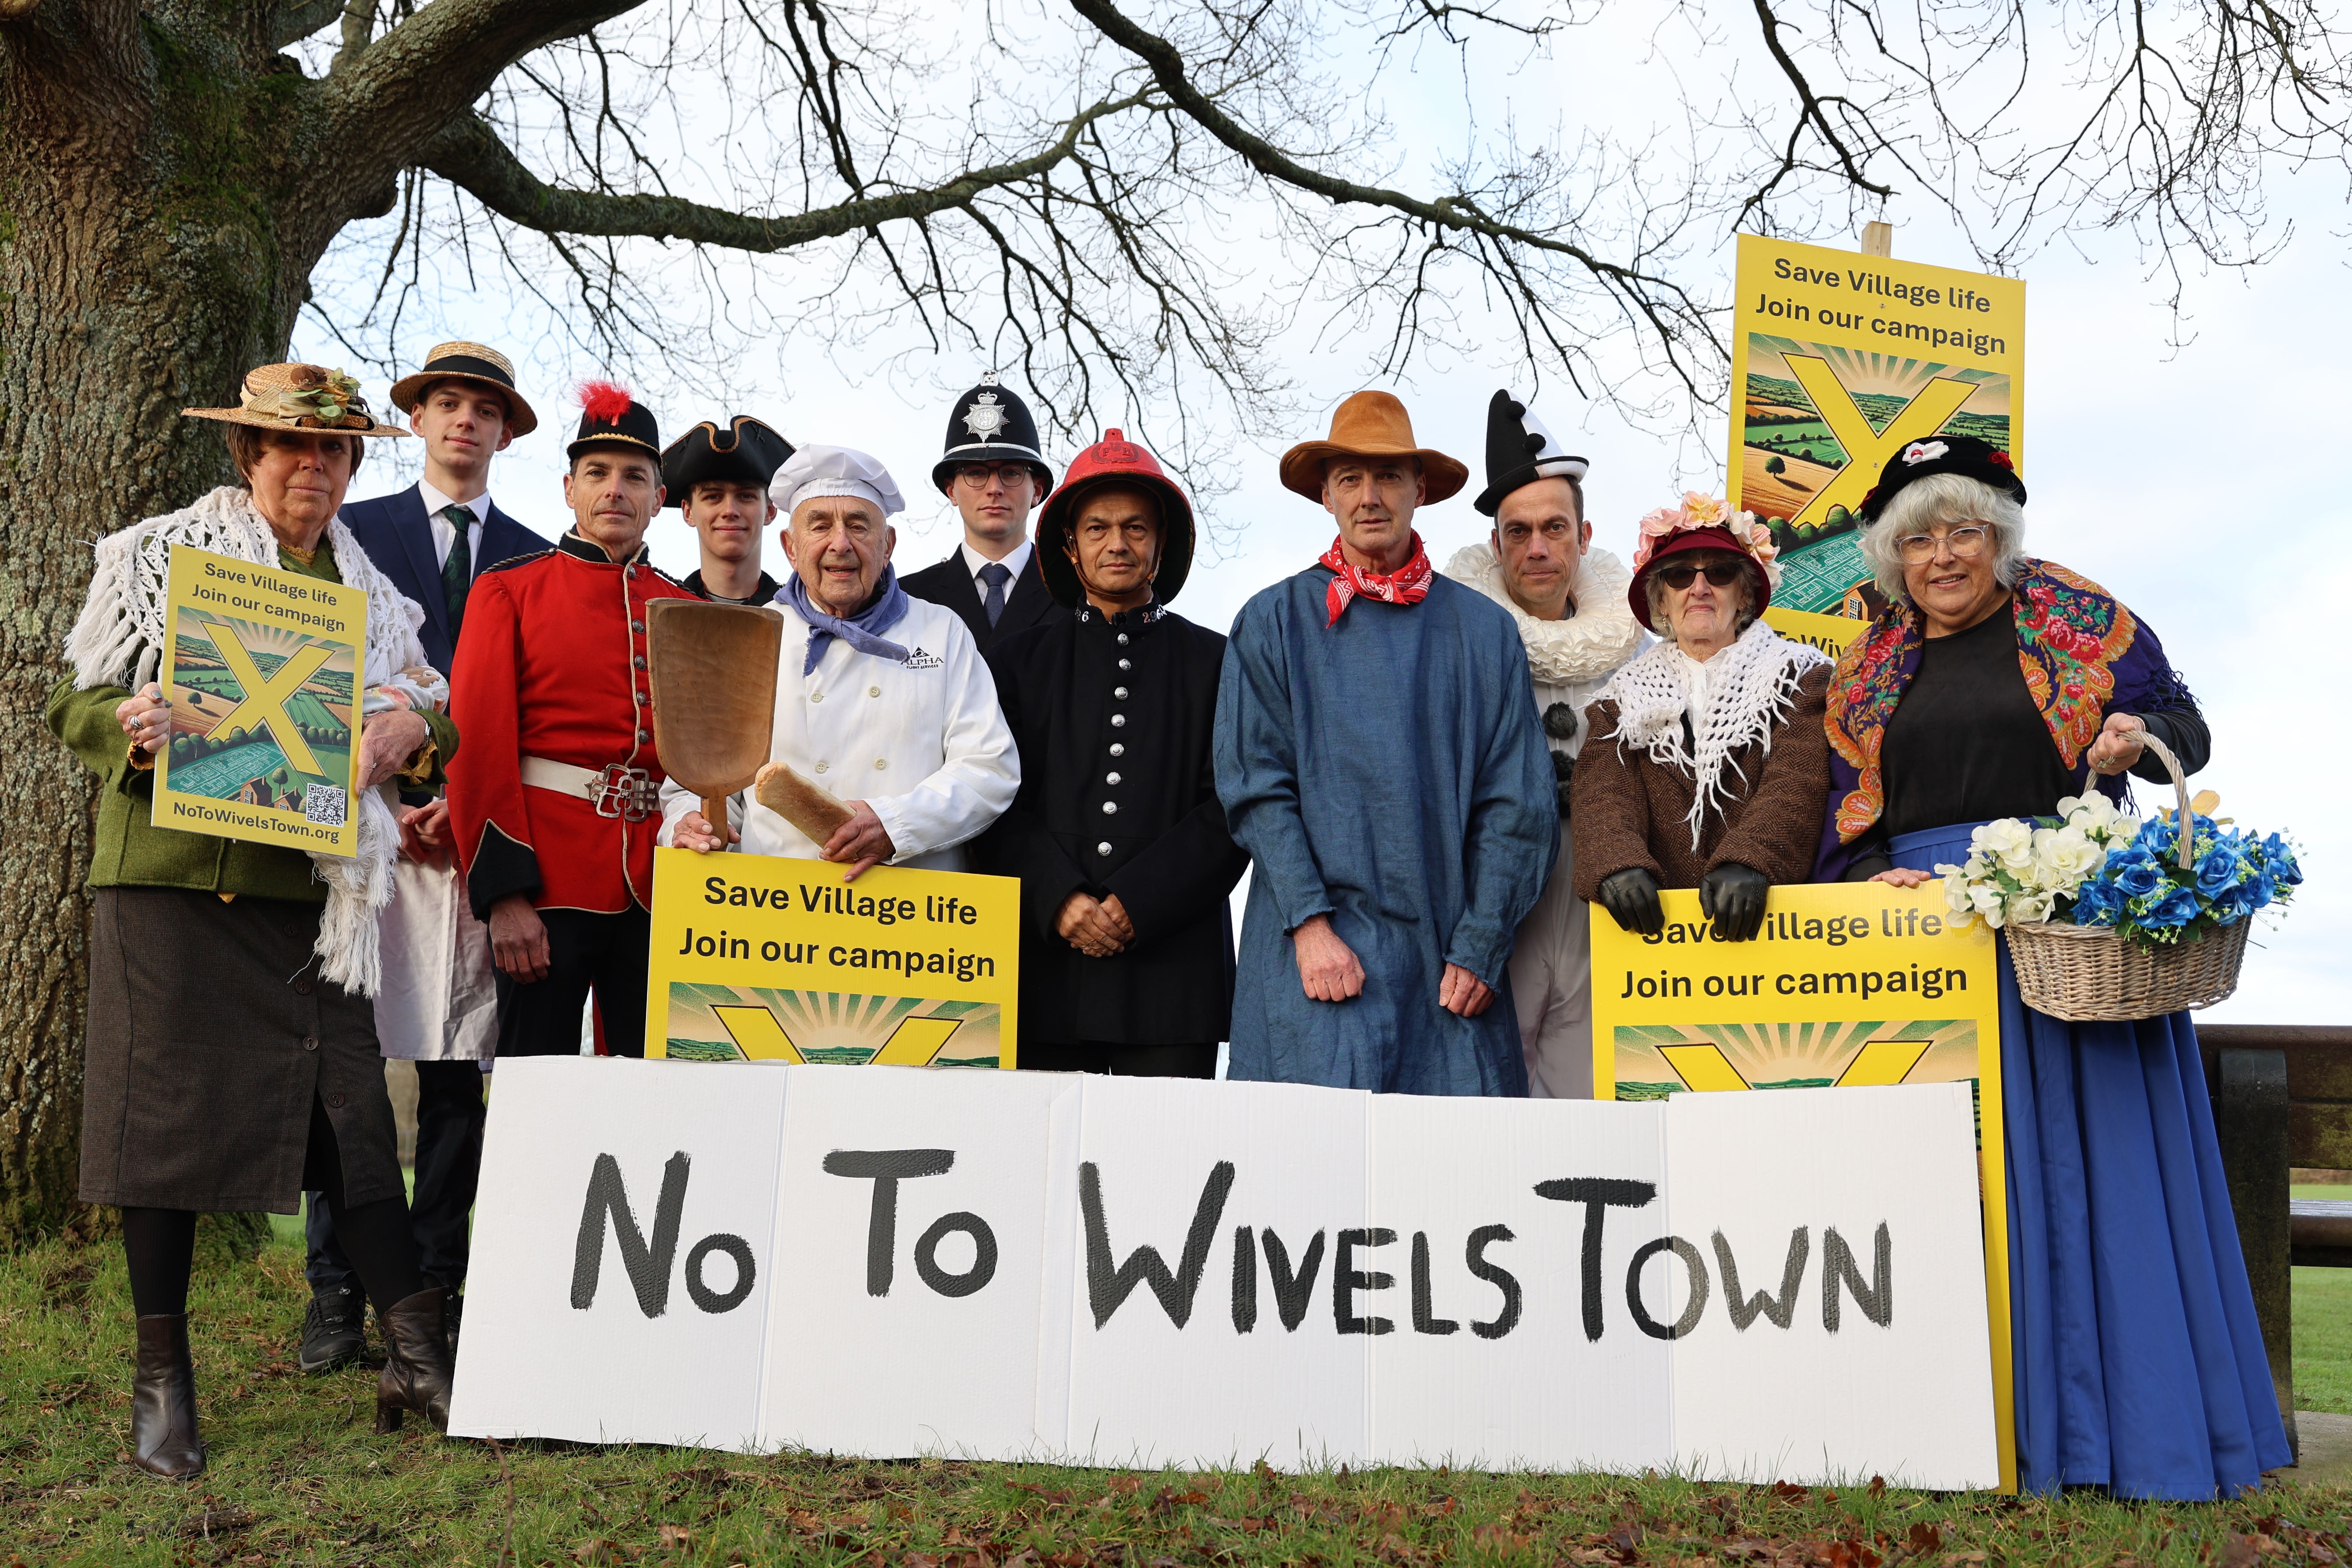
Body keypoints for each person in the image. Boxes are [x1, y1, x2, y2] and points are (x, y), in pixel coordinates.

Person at [1815, 435, 2285, 1499]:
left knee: (2101, 1173)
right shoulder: (1870, 663)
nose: (1945, 554)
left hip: (2068, 923)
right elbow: (1844, 809)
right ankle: (1959, 1434)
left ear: (2002, 539)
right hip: (1932, 937)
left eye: (1967, 530)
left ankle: (2137, 1439)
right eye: (1920, 537)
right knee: (1960, 1184)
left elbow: (2186, 730)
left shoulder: (2072, 617)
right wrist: (1876, 870)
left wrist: (2134, 733)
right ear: (1893, 556)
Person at [47, 363, 460, 1476]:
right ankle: (162, 1387)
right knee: (165, 1133)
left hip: (313, 905)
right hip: (176, 888)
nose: (312, 469)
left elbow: (433, 709)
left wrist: (407, 734)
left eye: (333, 452)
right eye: (289, 448)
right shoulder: (158, 559)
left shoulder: (373, 594)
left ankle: (416, 1354)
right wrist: (134, 732)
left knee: (358, 1122)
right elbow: (73, 699)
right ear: (248, 456)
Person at [302, 342, 550, 1372]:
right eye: (445, 403)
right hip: (365, 828)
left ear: (503, 430)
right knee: (345, 1067)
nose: (463, 422)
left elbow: (528, 710)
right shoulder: (354, 533)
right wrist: (387, 790)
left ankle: (438, 1282)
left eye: (482, 409)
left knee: (454, 1074)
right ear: (418, 418)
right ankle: (336, 1291)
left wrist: (464, 799)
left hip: (471, 842)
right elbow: (320, 668)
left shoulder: (540, 556)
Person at [1214, 391, 1556, 1094]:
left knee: (1456, 1185)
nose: (1370, 497)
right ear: (1326, 496)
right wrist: (1308, 926)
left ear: (1420, 490)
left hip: (1448, 969)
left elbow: (1517, 806)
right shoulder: (1272, 622)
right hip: (1315, 961)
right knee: (1304, 1177)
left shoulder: (1485, 634)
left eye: (1389, 477)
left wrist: (1485, 942)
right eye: (1350, 479)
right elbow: (1256, 792)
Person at [976, 431, 1248, 1078]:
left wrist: (1140, 902)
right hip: (1040, 971)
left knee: (1164, 1166)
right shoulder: (1015, 662)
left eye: (1135, 528)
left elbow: (1233, 805)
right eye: (1096, 528)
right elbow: (988, 797)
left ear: (1162, 544)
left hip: (1172, 981)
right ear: (1070, 546)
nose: (1117, 544)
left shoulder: (1217, 662)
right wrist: (1058, 899)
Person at [446, 383, 697, 1059]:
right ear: (569, 489)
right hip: (545, 884)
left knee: (657, 1091)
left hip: (658, 885)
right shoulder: (509, 589)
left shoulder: (683, 606)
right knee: (538, 1093)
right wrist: (505, 896)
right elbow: (477, 751)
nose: (615, 490)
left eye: (634, 477)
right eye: (597, 474)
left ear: (659, 500)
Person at [663, 445, 1018, 878]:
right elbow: (699, 780)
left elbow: (989, 769)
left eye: (858, 525)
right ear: (790, 548)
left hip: (912, 912)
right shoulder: (748, 637)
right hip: (774, 908)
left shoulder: (941, 631)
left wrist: (893, 825)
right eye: (819, 526)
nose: (841, 544)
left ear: (887, 545)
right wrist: (689, 823)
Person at [1442, 391, 1643, 1098]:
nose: (1537, 548)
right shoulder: (1455, 638)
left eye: (1554, 528)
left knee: (1589, 1088)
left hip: (1602, 887)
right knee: (1489, 1082)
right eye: (1518, 531)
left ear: (1583, 539)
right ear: (1495, 544)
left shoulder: (1636, 644)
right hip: (1498, 888)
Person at [1571, 494, 1830, 939]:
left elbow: (1797, 780)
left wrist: (1751, 858)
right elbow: (1603, 795)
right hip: (1660, 943)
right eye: (1678, 576)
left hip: (1772, 932)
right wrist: (1618, 863)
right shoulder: (1618, 701)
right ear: (1661, 601)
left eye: (1721, 572)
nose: (1700, 587)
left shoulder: (1801, 675)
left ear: (1744, 593)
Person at [900, 373, 1069, 653]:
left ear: (1037, 490)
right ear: (951, 490)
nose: (994, 489)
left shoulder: (1077, 592)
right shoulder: (908, 599)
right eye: (976, 473)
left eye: (1012, 473)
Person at [664, 414, 794, 605]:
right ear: (688, 512)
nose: (730, 510)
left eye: (746, 496)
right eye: (713, 497)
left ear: (770, 510)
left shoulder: (800, 618)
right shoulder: (659, 613)